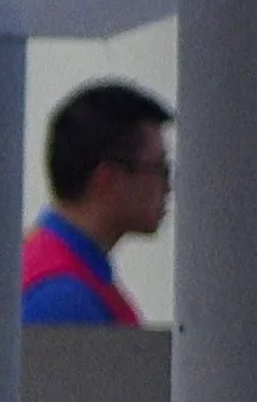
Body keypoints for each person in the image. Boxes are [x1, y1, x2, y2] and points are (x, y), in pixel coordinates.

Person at [24, 81, 172, 326]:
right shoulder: (64, 299)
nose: (167, 187)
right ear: (108, 179)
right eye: (159, 168)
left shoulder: (59, 268)